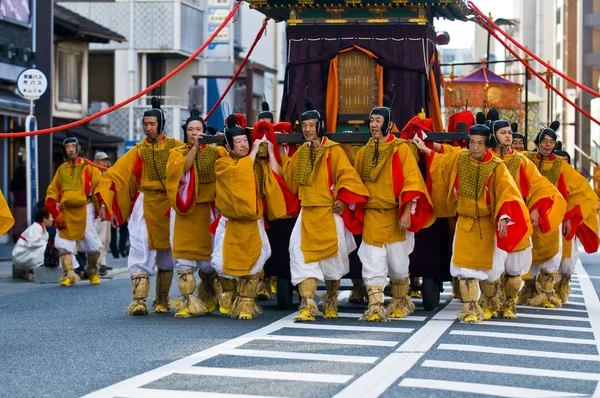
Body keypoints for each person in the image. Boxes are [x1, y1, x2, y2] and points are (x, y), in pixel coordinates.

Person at [414, 120, 532, 323]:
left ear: (487, 145)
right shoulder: (460, 158)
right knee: (464, 269)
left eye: (479, 143)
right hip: (465, 223)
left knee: (491, 272)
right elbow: (441, 162)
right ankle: (469, 308)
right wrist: (425, 148)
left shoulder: (497, 166)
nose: (475, 147)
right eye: (472, 142)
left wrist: (504, 217)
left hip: (487, 224)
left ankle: (489, 305)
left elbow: (507, 193)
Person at [281, 98, 369, 322]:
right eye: (304, 126)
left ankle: (330, 300)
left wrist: (342, 198)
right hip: (307, 213)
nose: (308, 130)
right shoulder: (300, 154)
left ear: (319, 126)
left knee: (333, 260)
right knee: (300, 257)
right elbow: (290, 181)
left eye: (311, 125)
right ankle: (308, 305)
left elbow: (348, 176)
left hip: (330, 213)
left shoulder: (334, 150)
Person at [97, 98, 184, 315]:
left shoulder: (176, 146)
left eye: (152, 124)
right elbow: (118, 175)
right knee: (139, 249)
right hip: (144, 205)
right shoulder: (138, 150)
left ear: (161, 124)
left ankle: (162, 300)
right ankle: (139, 301)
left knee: (167, 253)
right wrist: (113, 207)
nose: (148, 128)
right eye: (145, 124)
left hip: (169, 205)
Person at [354, 97, 434, 321]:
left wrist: (407, 211)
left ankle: (400, 302)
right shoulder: (363, 152)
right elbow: (355, 181)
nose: (373, 125)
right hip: (372, 216)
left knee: (399, 265)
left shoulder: (402, 149)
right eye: (371, 120)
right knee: (372, 262)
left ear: (388, 124)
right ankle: (376, 307)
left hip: (394, 216)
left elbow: (412, 183)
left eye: (378, 120)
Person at [211, 114, 294, 319]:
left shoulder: (256, 162)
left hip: (254, 219)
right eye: (237, 142)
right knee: (223, 263)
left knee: (256, 261)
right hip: (231, 222)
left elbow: (275, 174)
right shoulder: (224, 164)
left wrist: (272, 152)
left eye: (245, 141)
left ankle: (246, 304)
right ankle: (228, 296)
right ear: (229, 147)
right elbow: (239, 174)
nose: (243, 145)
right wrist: (255, 151)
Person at [486, 111, 566, 318]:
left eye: (510, 133)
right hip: (491, 219)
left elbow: (540, 186)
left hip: (518, 218)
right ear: (494, 135)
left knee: (514, 267)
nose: (509, 136)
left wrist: (536, 210)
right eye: (503, 132)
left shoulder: (522, 161)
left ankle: (509, 305)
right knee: (492, 267)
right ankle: (490, 303)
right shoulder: (486, 159)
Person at [522, 123, 599, 308]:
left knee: (552, 257)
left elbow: (579, 190)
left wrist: (569, 218)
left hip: (552, 218)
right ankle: (529, 290)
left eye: (551, 142)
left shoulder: (559, 164)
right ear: (538, 142)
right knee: (528, 255)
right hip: (530, 216)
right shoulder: (527, 159)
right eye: (544, 141)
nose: (548, 145)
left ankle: (547, 295)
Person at [166, 107, 228, 318]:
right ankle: (187, 303)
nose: (194, 133)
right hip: (184, 212)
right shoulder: (176, 153)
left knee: (209, 263)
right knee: (184, 259)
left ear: (205, 130)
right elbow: (181, 169)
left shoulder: (216, 151)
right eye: (190, 129)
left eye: (198, 129)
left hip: (207, 211)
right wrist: (194, 147)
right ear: (185, 132)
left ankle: (210, 296)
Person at [46, 135, 104, 287]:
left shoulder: (89, 167)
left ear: (78, 148)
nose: (71, 150)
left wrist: (102, 206)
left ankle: (92, 270)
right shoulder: (61, 169)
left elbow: (99, 187)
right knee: (63, 243)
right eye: (67, 147)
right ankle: (68, 274)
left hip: (86, 208)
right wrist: (56, 211)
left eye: (73, 146)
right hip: (66, 210)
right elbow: (52, 191)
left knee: (92, 243)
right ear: (65, 150)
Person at [12, 207, 53, 280]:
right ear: (44, 219)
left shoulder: (43, 229)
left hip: (26, 254)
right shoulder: (35, 228)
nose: (52, 219)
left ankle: (30, 272)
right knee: (46, 249)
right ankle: (36, 270)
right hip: (21, 256)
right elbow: (32, 243)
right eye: (50, 217)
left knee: (48, 248)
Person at [94, 152, 112, 276]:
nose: (104, 163)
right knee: (99, 237)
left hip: (107, 210)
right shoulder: (94, 173)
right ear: (96, 161)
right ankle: (97, 262)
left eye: (106, 160)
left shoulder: (107, 174)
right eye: (102, 160)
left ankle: (103, 261)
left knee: (106, 238)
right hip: (98, 209)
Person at [9, 164, 27, 243]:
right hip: (25, 206)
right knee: (23, 224)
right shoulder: (26, 182)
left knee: (16, 224)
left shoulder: (14, 183)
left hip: (16, 206)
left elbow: (11, 197)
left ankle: (15, 238)